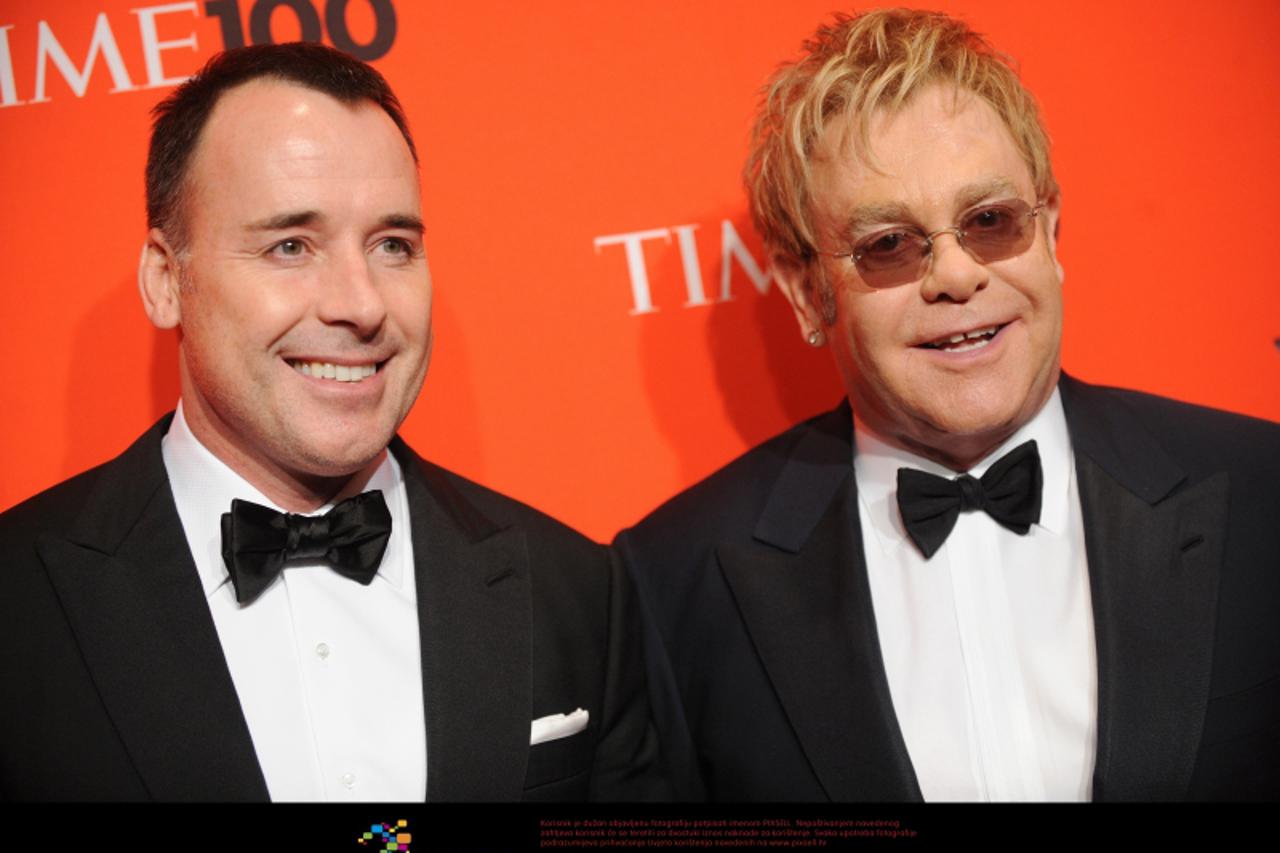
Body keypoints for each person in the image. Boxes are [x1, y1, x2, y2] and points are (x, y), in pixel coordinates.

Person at [616, 9, 1279, 802]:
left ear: (1052, 235)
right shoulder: (673, 582)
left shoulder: (1262, 490)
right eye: (890, 245)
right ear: (805, 293)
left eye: (990, 222)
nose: (958, 276)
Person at [0, 42, 662, 802]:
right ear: (165, 281)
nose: (362, 302)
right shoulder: (18, 604)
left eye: (392, 245)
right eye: (291, 245)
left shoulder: (575, 589)